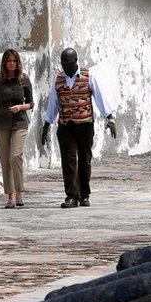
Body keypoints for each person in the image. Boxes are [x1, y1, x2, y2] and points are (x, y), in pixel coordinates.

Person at [41, 48, 117, 208]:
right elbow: (53, 104)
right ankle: (72, 196)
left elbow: (100, 98)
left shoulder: (88, 76)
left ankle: (84, 195)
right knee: (68, 162)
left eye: (67, 62)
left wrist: (110, 118)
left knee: (84, 160)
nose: (64, 65)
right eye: (62, 62)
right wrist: (47, 124)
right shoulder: (59, 79)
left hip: (85, 125)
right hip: (66, 125)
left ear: (75, 60)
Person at [0, 49, 34, 208]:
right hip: (1, 123)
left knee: (15, 156)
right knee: (5, 160)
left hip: (19, 122)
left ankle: (19, 192)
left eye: (14, 61)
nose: (11, 63)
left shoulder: (24, 79)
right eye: (9, 61)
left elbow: (31, 104)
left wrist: (20, 107)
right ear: (4, 63)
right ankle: (10, 196)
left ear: (17, 62)